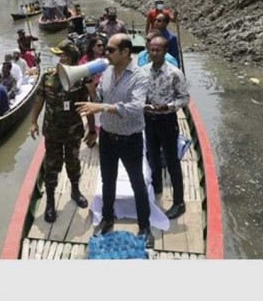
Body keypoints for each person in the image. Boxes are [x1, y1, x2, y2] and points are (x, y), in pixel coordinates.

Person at [75, 34, 154, 248]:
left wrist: (100, 108)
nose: (105, 53)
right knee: (107, 181)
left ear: (125, 52)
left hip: (130, 139)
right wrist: (92, 91)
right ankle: (107, 219)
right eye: (105, 50)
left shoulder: (140, 76)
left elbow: (135, 108)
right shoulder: (108, 72)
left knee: (137, 182)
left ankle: (145, 226)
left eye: (110, 50)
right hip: (108, 137)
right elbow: (100, 98)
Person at [29, 40, 97, 223]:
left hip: (73, 131)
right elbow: (39, 101)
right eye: (58, 55)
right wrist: (33, 121)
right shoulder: (47, 77)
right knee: (51, 166)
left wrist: (92, 130)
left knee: (73, 162)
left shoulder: (82, 79)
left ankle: (75, 191)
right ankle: (50, 202)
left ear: (70, 57)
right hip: (52, 132)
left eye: (62, 54)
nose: (59, 58)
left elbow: (88, 106)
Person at [142, 35, 190, 220]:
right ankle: (157, 188)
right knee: (152, 156)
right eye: (151, 50)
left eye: (158, 50)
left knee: (171, 161)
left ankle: (179, 203)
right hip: (149, 119)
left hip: (167, 120)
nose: (154, 53)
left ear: (165, 51)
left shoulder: (174, 73)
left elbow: (184, 98)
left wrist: (168, 106)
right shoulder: (143, 71)